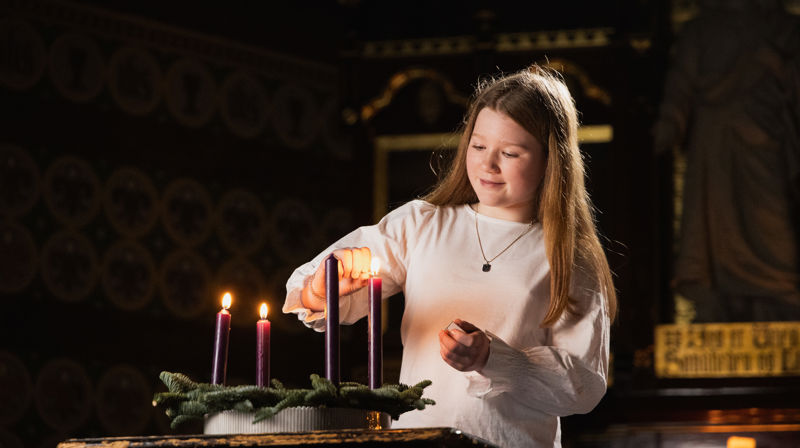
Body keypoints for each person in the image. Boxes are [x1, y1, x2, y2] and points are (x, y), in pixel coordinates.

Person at [283, 65, 617, 448]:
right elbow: (315, 290)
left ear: (550, 160)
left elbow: (583, 385)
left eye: (510, 152)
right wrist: (325, 288)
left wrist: (492, 358)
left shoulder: (567, 256)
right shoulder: (421, 223)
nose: (488, 165)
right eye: (477, 146)